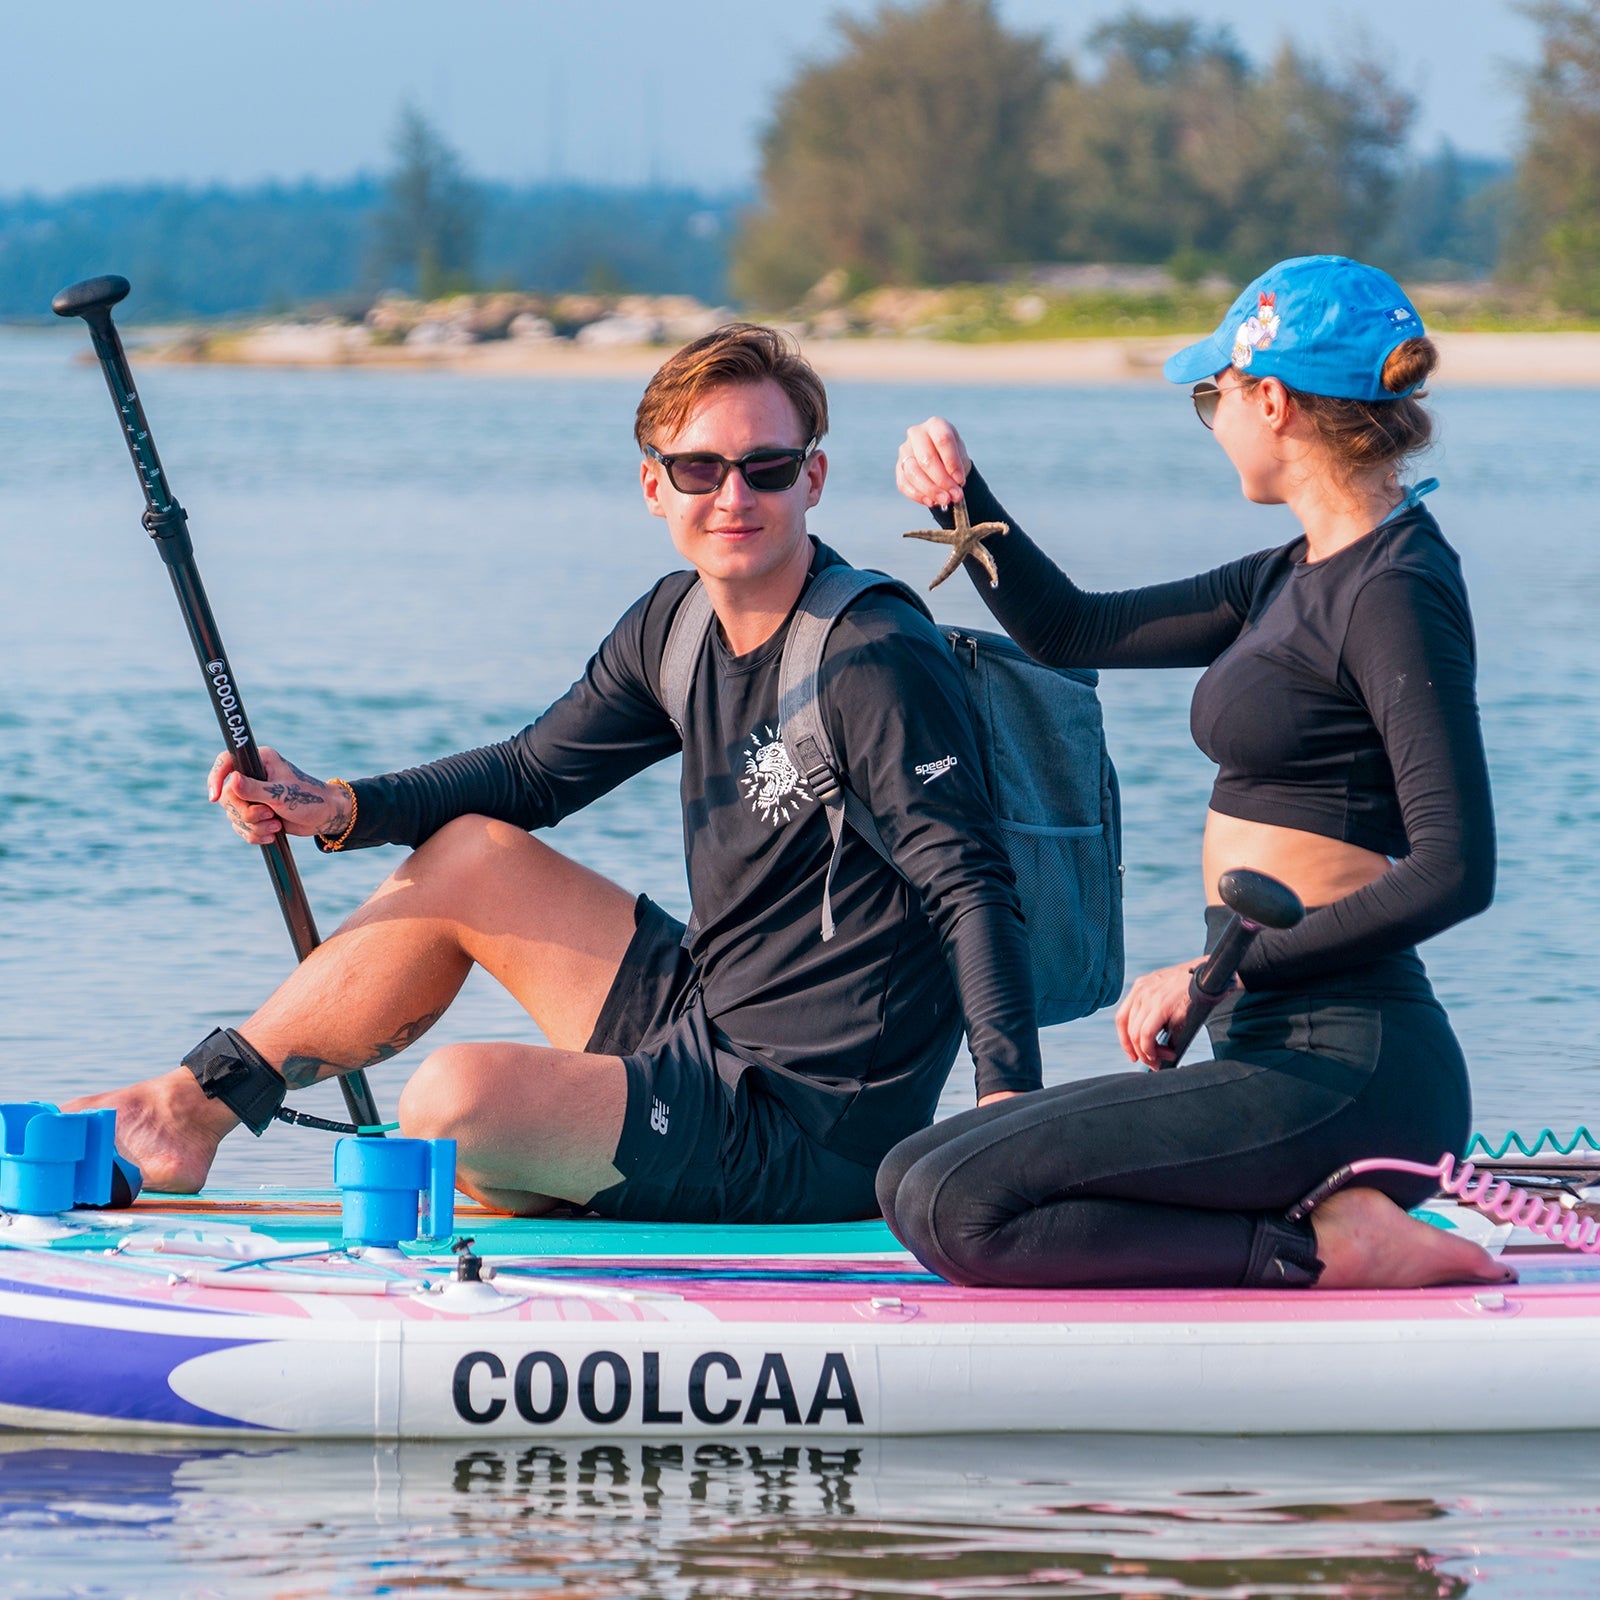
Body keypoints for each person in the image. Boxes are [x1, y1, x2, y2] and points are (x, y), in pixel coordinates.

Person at [75, 323, 1040, 1221]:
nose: (734, 497)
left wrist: (1008, 1119)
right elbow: (531, 776)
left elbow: (972, 888)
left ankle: (538, 1172)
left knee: (452, 1100)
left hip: (811, 1127)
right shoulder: (676, 623)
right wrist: (337, 807)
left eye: (767, 468)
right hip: (704, 1027)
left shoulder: (874, 653)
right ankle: (189, 1112)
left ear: (814, 478)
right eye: (700, 468)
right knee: (471, 855)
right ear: (654, 486)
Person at [881, 256, 1510, 1292]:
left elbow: (1455, 867)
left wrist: (1212, 975)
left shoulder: (1396, 587)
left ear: (1272, 400)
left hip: (1354, 1061)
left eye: (1211, 395)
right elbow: (1070, 626)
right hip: (1267, 1045)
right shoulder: (1292, 574)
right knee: (911, 1174)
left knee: (961, 1203)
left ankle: (1321, 1250)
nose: (1212, 418)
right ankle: (1327, 1218)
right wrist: (961, 503)